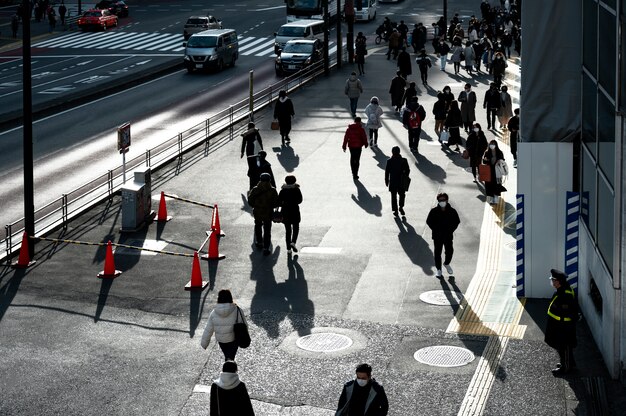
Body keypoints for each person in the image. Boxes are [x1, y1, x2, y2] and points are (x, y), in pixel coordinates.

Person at [545, 269, 579, 376]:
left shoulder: (565, 294)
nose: (552, 282)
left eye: (553, 280)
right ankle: (568, 363)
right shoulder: (562, 290)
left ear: (559, 281)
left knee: (564, 346)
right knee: (562, 346)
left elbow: (566, 311)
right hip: (560, 325)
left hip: (563, 326)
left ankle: (566, 368)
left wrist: (561, 324)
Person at [201, 289, 244, 361]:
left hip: (221, 340)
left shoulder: (214, 312)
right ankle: (230, 369)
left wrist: (204, 343)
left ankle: (228, 367)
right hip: (233, 339)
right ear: (230, 298)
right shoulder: (237, 310)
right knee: (230, 357)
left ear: (218, 299)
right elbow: (244, 324)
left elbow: (208, 329)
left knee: (228, 356)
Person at [426, 193, 460, 278]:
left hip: (448, 235)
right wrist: (435, 229)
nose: (442, 202)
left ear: (447, 200)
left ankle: (446, 263)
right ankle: (438, 269)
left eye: (443, 200)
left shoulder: (452, 211)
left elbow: (457, 221)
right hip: (437, 236)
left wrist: (451, 230)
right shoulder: (434, 211)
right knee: (437, 253)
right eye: (440, 200)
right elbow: (429, 221)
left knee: (449, 251)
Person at [247, 173, 279, 255]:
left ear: (260, 179)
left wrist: (256, 205)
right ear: (269, 180)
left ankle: (259, 241)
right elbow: (276, 203)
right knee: (267, 230)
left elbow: (250, 201)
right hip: (268, 212)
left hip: (258, 211)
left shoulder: (255, 189)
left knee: (258, 226)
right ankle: (266, 247)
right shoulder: (272, 190)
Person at [278, 175, 302, 255]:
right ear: (294, 181)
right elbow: (300, 200)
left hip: (285, 212)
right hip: (294, 211)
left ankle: (288, 249)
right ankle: (293, 242)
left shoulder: (283, 191)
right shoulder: (296, 190)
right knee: (296, 227)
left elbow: (279, 201)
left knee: (288, 231)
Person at [385, 146, 410, 217]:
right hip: (401, 182)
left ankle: (395, 210)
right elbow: (408, 170)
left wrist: (386, 180)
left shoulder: (389, 161)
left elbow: (387, 172)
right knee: (402, 195)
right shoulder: (404, 160)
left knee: (393, 196)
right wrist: (405, 175)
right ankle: (401, 207)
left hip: (393, 182)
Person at [481, 140, 505, 204]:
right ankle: (491, 197)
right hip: (489, 171)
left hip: (497, 171)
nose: (492, 145)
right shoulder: (487, 152)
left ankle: (496, 197)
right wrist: (485, 160)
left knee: (497, 184)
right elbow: (484, 162)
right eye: (491, 144)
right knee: (489, 185)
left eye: (493, 144)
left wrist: (500, 161)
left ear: (496, 145)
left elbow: (503, 161)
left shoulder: (499, 152)